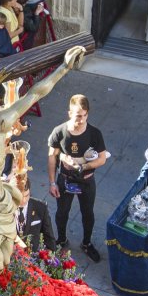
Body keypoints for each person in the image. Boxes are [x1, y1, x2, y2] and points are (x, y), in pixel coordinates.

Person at [47, 94, 108, 262]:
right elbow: (52, 157)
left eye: (84, 115)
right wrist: (52, 182)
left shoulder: (95, 133)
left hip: (86, 180)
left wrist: (83, 166)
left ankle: (87, 243)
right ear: (69, 113)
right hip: (65, 179)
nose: (81, 120)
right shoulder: (59, 132)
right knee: (62, 212)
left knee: (88, 213)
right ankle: (61, 240)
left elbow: (102, 159)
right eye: (77, 116)